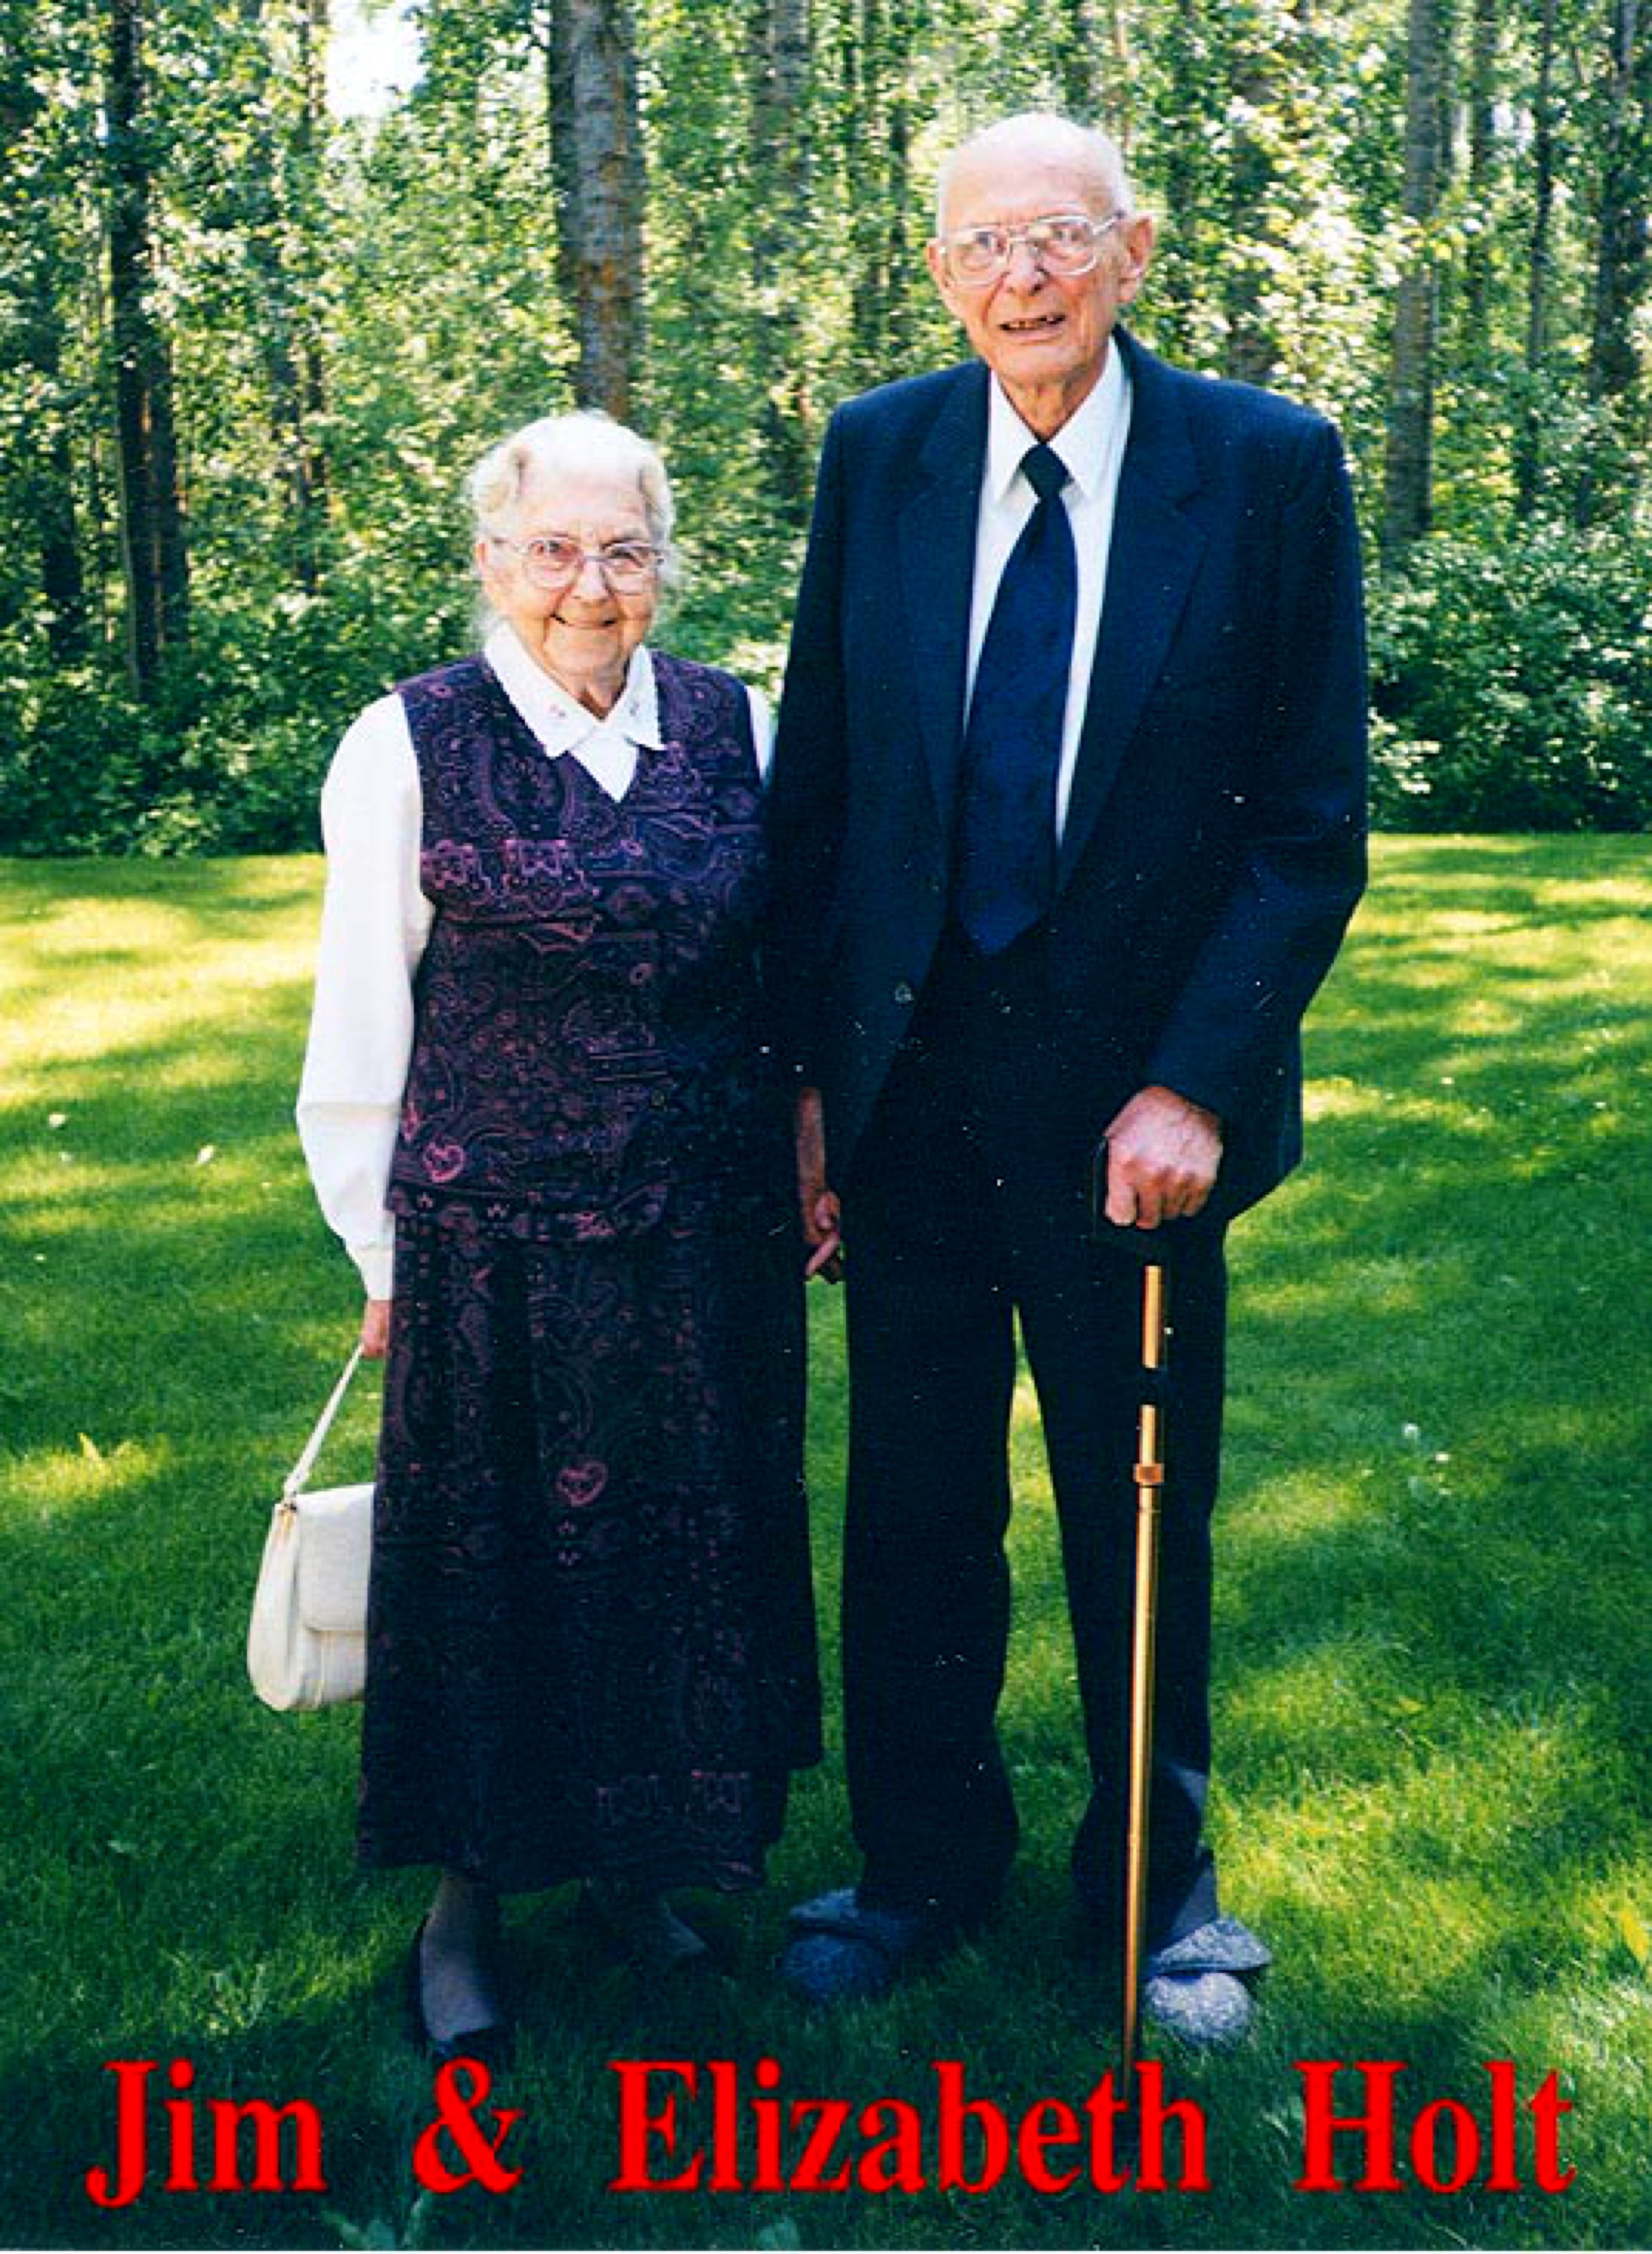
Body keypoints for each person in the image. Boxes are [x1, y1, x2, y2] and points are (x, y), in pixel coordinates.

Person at [764, 113, 1366, 2046]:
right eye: (978, 243)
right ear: (938, 271)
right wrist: (806, 1084)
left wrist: (1198, 1083)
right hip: (910, 1089)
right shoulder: (878, 452)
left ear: (1131, 248)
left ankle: (1156, 1898)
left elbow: (1306, 825)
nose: (1016, 276)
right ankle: (917, 1869)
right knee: (912, 1503)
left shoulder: (1262, 465)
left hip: (1134, 1120)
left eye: (1054, 235)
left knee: (1139, 1500)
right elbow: (820, 794)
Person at [298, 410, 820, 2060]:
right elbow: (359, 1021)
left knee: (681, 1547)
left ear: (664, 563)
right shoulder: (409, 741)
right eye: (550, 549)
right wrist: (378, 1254)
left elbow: (784, 969)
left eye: (621, 550)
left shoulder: (738, 724)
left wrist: (811, 1145)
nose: (586, 586)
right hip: (493, 1238)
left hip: (704, 1231)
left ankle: (642, 1872)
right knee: (494, 1565)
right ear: (490, 559)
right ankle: (467, 1903)